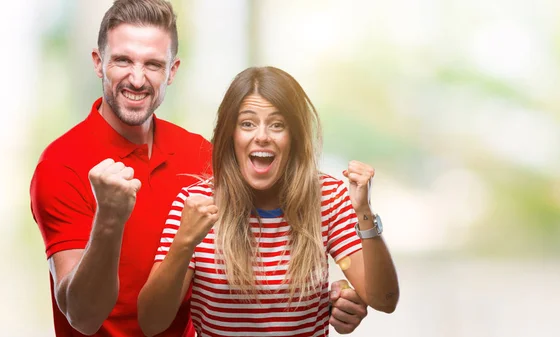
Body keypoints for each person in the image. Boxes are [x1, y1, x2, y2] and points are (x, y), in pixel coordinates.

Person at [30, 1, 368, 336]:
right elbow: (82, 317)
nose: (136, 78)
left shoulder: (201, 155)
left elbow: (267, 246)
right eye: (122, 60)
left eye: (152, 64)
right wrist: (109, 218)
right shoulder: (61, 165)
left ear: (172, 71)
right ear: (98, 62)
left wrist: (326, 293)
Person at [138, 66, 400, 337]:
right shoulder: (196, 204)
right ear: (231, 135)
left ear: (294, 137)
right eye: (247, 123)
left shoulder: (328, 198)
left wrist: (364, 212)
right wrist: (184, 243)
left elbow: (385, 299)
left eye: (277, 124)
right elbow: (151, 323)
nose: (262, 136)